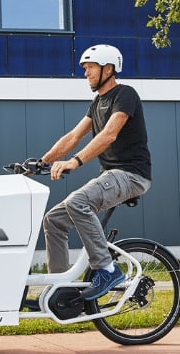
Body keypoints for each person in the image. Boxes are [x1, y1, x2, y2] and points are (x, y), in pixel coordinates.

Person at [39, 44, 152, 301]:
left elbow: (109, 134)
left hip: (131, 174)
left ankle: (107, 269)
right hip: (110, 175)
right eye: (85, 68)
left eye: (90, 68)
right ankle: (61, 288)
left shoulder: (125, 95)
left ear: (108, 69)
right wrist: (41, 162)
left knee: (77, 202)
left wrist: (74, 162)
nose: (86, 73)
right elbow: (73, 136)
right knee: (53, 220)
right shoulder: (98, 102)